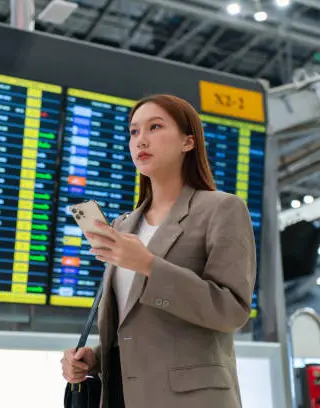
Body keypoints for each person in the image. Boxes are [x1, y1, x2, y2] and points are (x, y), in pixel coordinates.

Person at [61, 94, 256, 408]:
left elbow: (232, 310)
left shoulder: (222, 209)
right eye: (134, 131)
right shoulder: (123, 225)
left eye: (155, 127)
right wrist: (95, 358)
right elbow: (136, 325)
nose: (141, 140)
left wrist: (150, 265)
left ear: (188, 142)